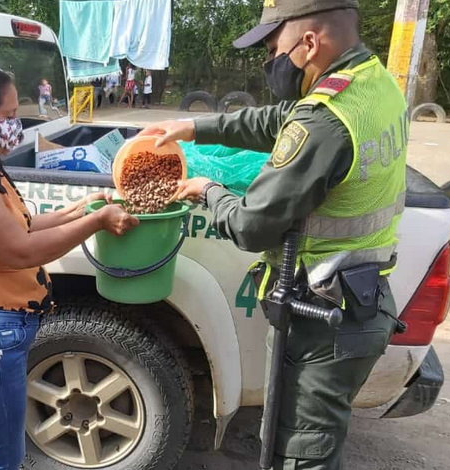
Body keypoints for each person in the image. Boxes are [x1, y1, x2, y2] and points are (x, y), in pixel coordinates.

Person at [142, 1, 406, 469]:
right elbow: (280, 119)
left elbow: (251, 225)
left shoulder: (324, 120)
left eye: (272, 50)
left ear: (309, 43)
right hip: (360, 298)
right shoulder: (373, 82)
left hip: (325, 319)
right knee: (310, 439)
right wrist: (194, 127)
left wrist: (209, 191)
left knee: (302, 455)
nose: (269, 63)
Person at [0, 64, 139, 470]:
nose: (15, 125)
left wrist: (79, 209)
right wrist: (97, 222)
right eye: (7, 116)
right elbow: (21, 250)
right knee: (2, 455)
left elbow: (20, 225)